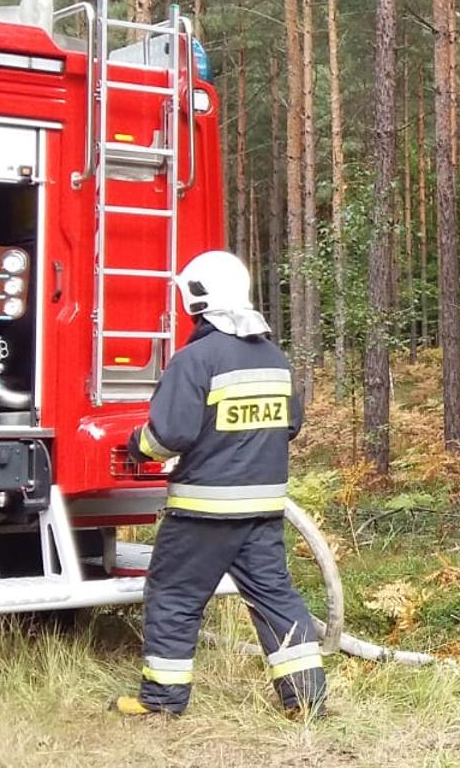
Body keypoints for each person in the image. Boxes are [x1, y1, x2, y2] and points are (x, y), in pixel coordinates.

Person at [110, 251, 325, 719]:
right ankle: (306, 700)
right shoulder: (274, 357)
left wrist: (135, 446)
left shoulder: (196, 359)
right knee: (276, 598)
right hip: (263, 509)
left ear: (195, 299)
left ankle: (163, 702)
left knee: (174, 596)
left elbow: (168, 436)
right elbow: (291, 425)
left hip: (203, 512)